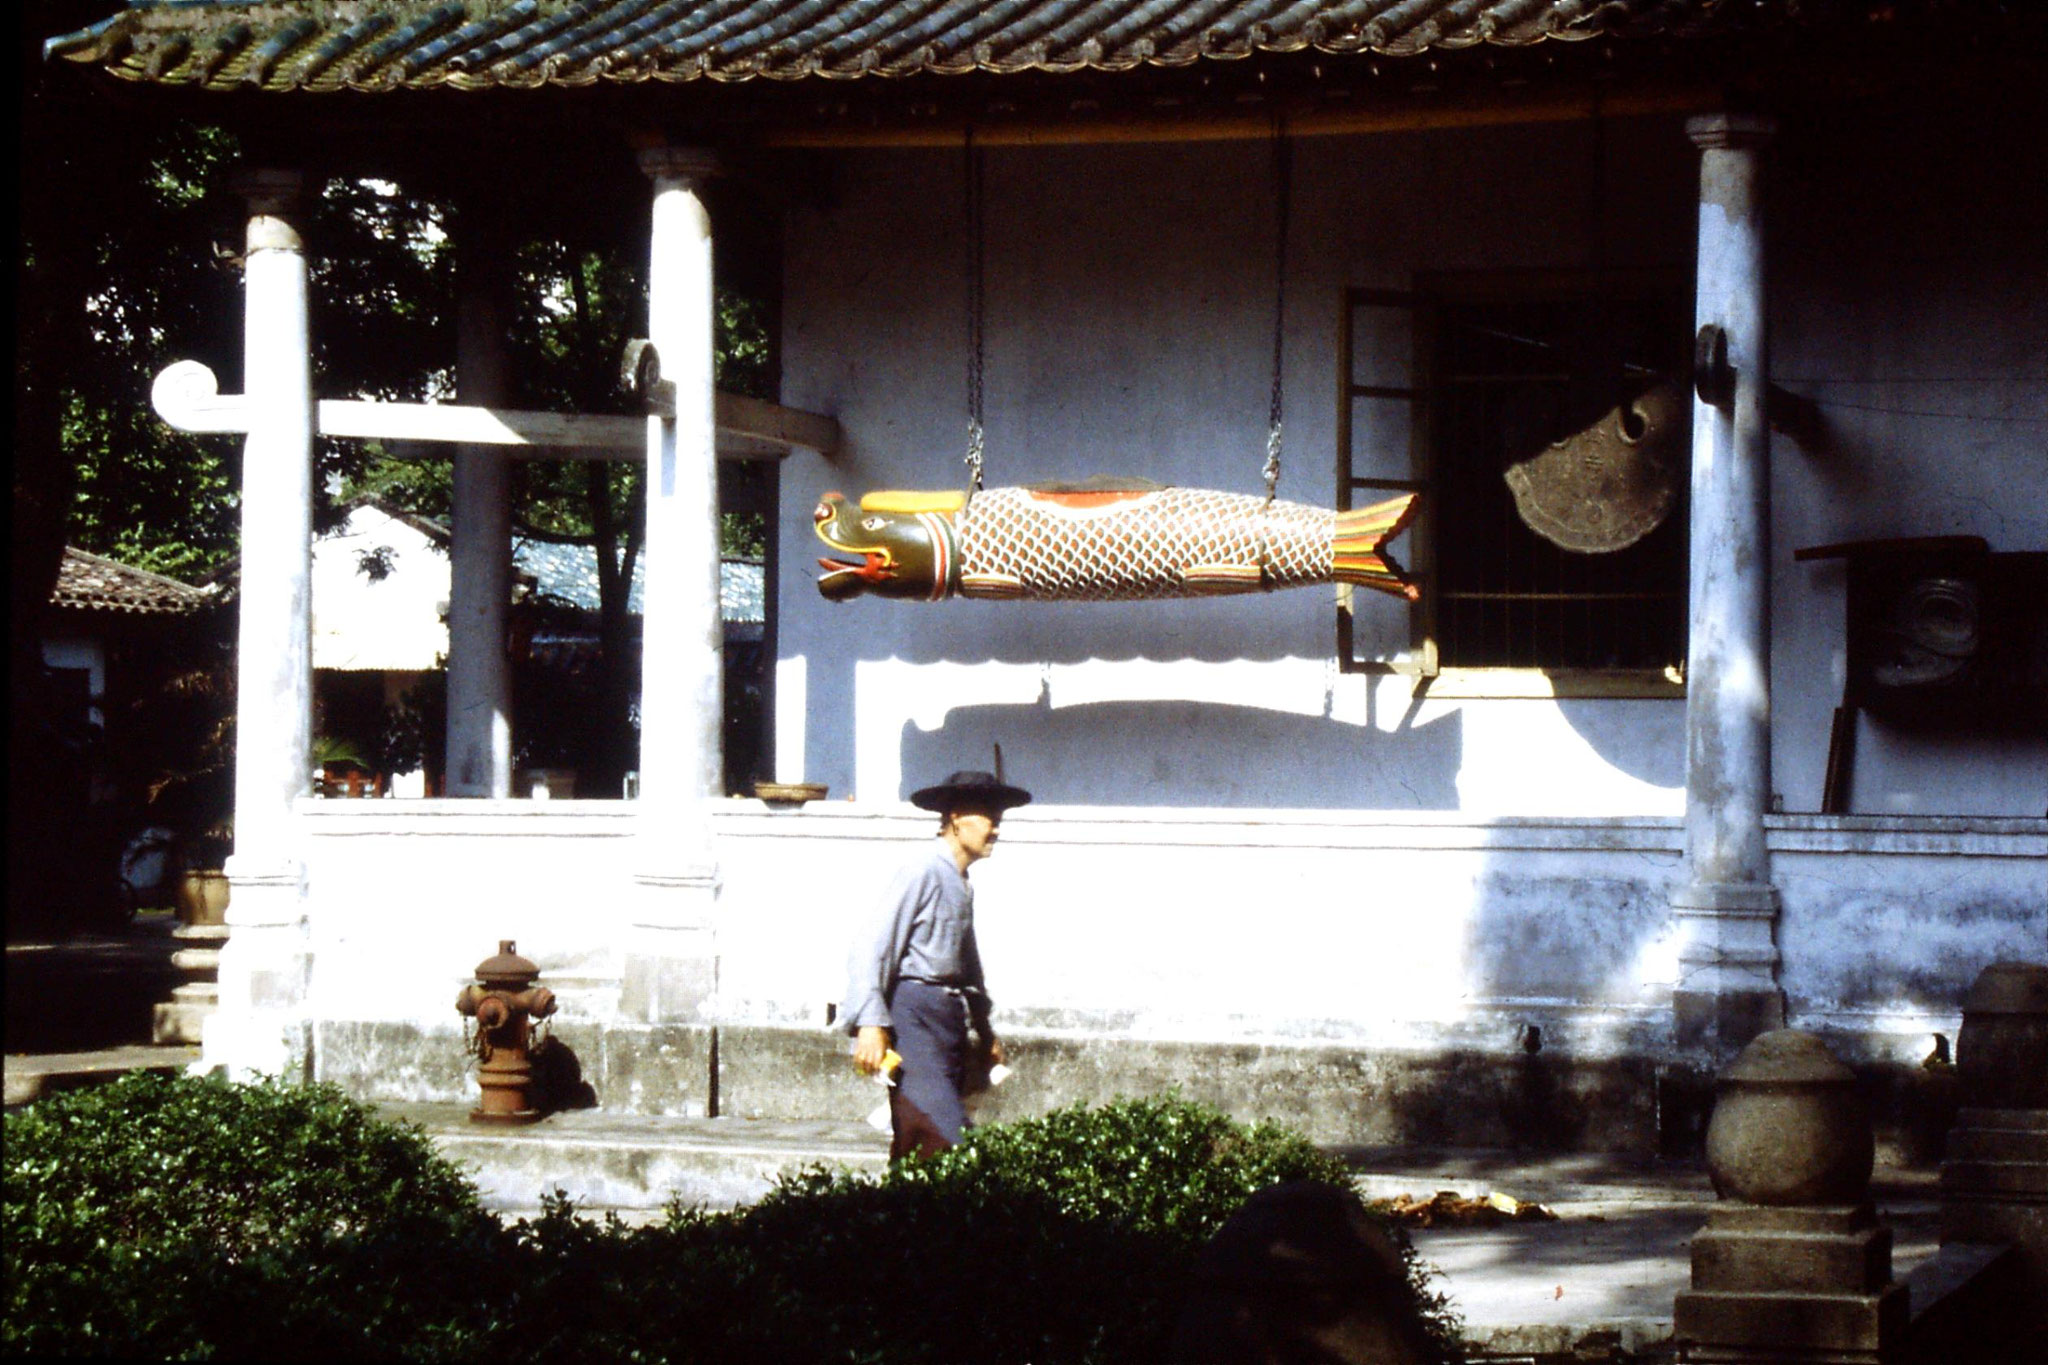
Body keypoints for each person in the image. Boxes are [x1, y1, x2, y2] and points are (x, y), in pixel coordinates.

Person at [841, 769, 1031, 1160]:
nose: (995, 829)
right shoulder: (922, 868)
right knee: (939, 1134)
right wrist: (870, 1023)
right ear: (957, 818)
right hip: (914, 1017)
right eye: (987, 818)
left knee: (921, 1141)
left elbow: (967, 965)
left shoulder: (961, 882)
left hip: (947, 1021)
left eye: (999, 819)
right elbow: (870, 946)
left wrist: (984, 1029)